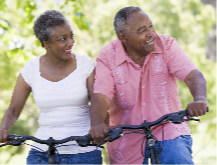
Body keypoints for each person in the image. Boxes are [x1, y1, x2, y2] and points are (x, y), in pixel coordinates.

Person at [89, 6, 208, 164]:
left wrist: (199, 99)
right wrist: (97, 124)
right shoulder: (107, 56)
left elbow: (193, 76)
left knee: (178, 157)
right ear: (122, 37)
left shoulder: (166, 44)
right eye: (141, 30)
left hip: (169, 128)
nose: (150, 33)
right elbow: (101, 95)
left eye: (151, 26)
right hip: (127, 135)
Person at [0, 10, 102, 164]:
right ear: (45, 42)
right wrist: (4, 128)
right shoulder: (31, 69)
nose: (70, 42)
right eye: (62, 39)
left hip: (83, 149)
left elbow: (98, 100)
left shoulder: (85, 64)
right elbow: (14, 109)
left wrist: (98, 127)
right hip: (43, 150)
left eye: (71, 36)